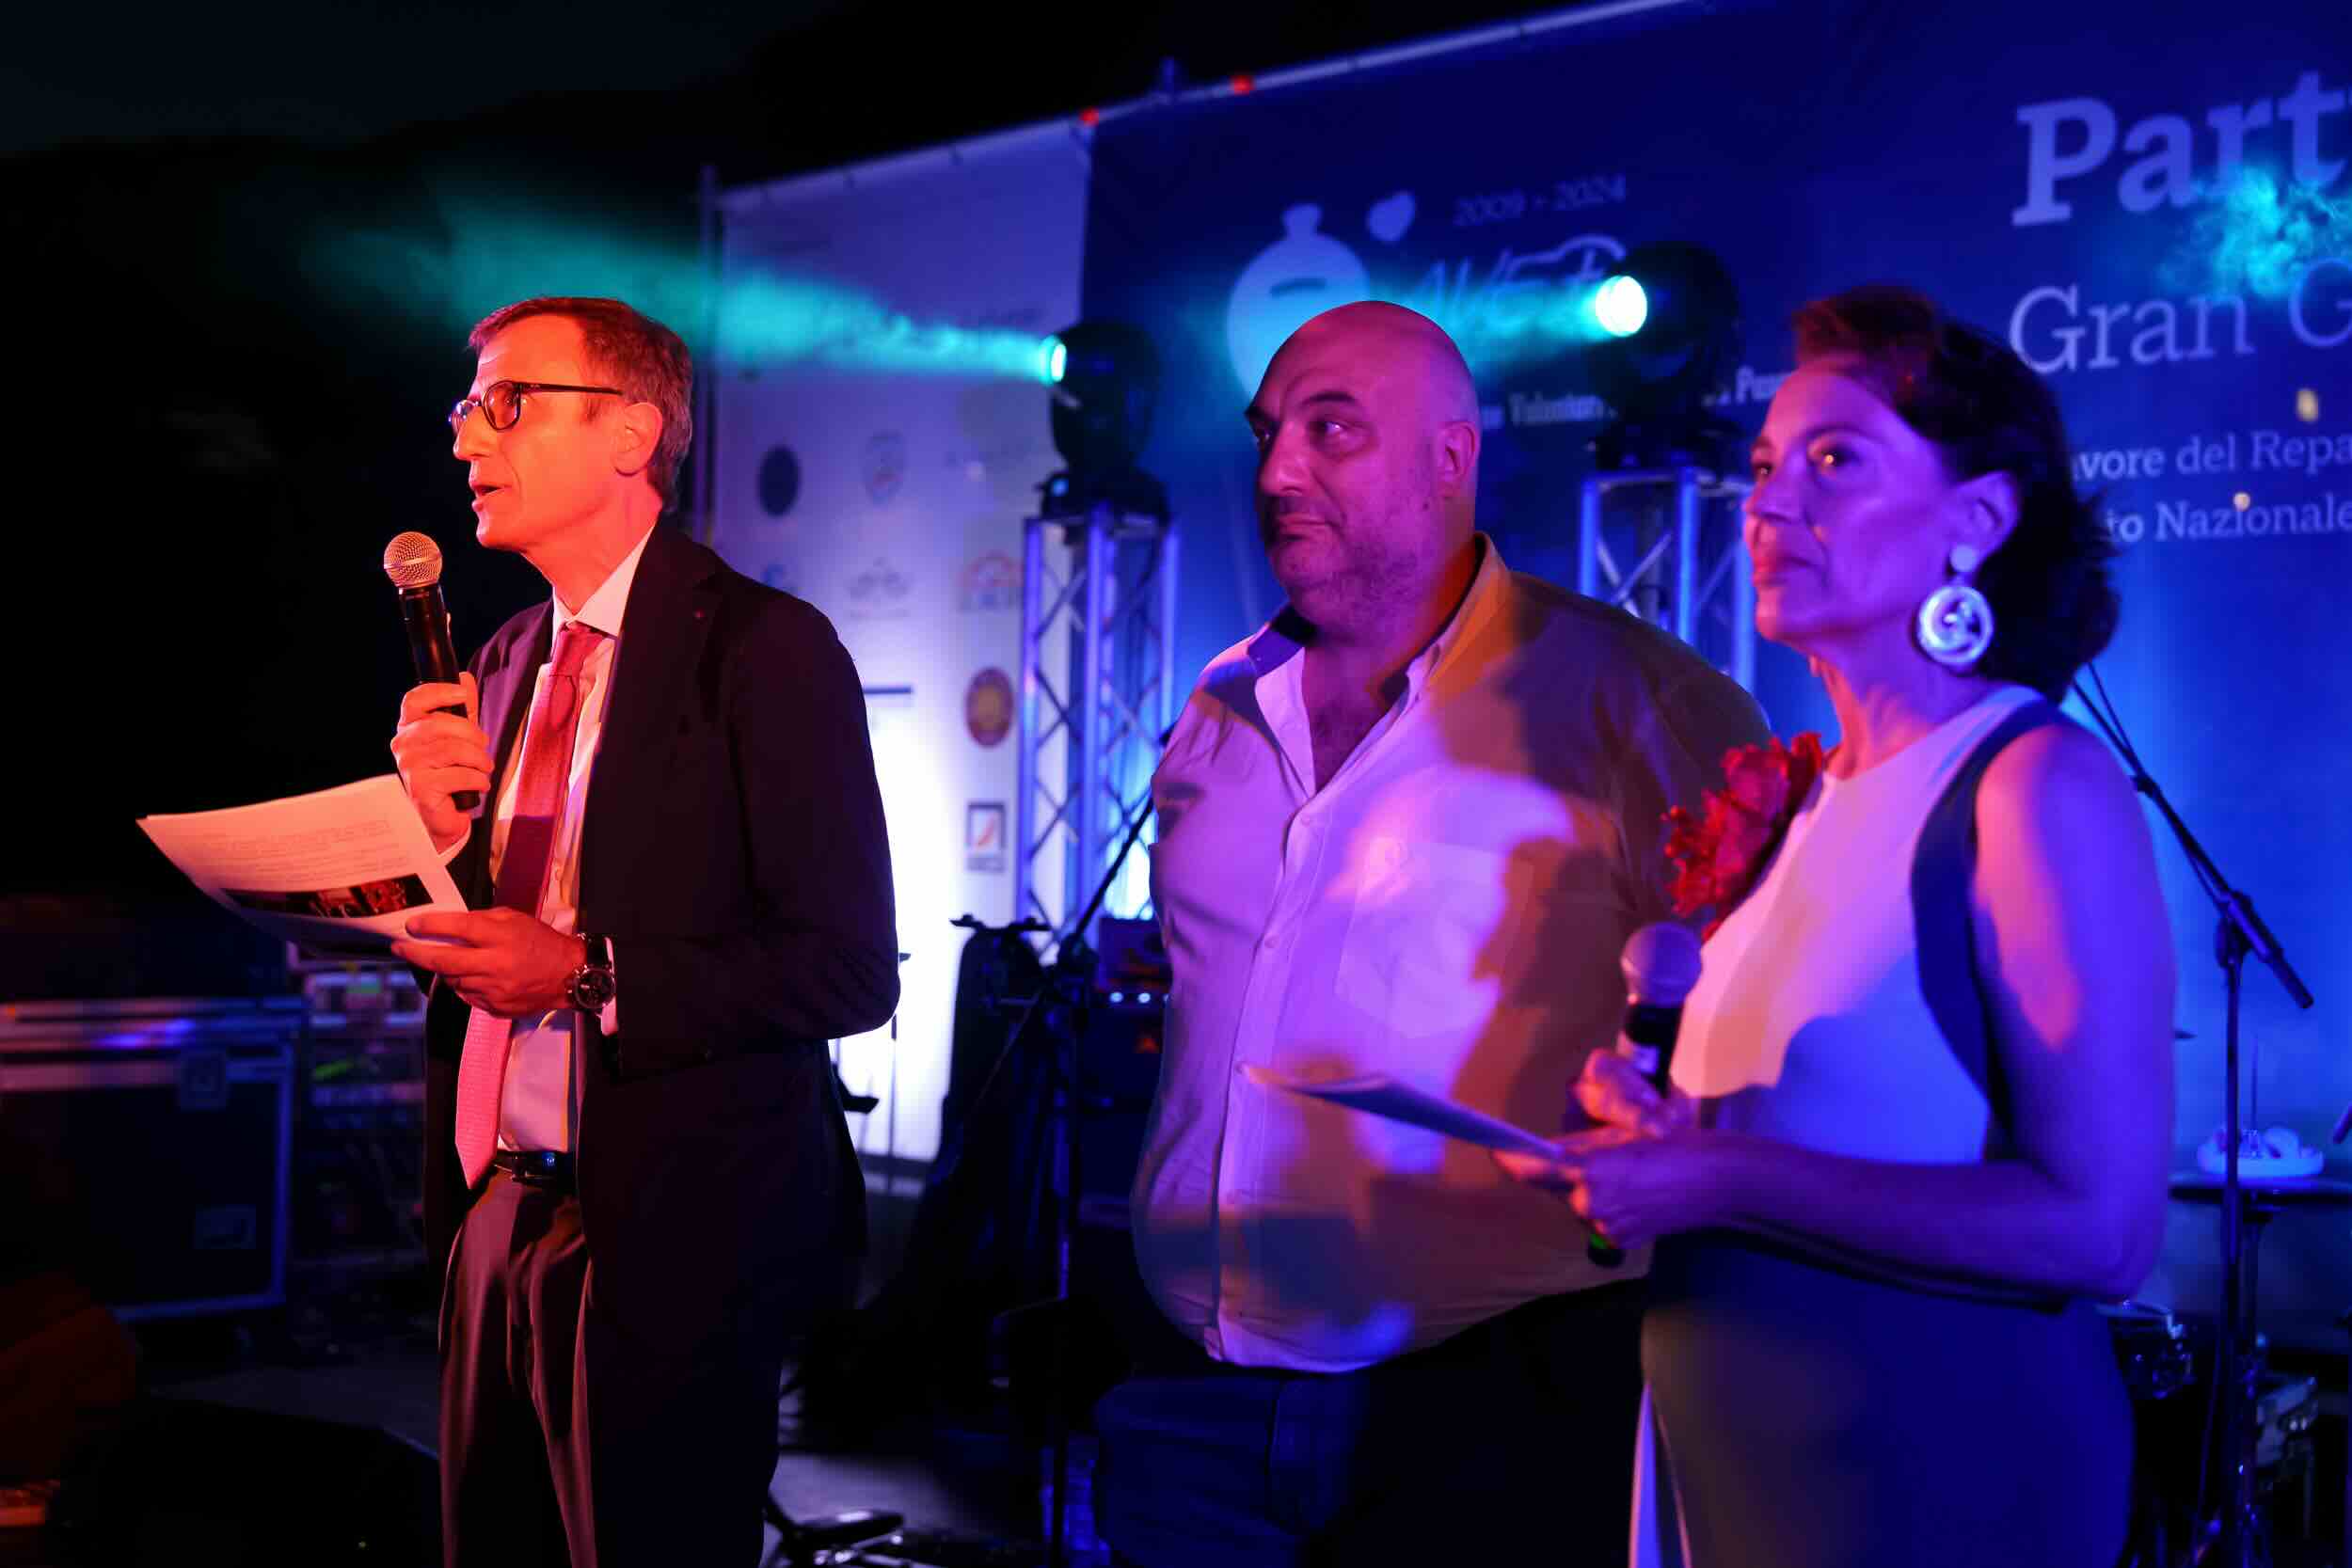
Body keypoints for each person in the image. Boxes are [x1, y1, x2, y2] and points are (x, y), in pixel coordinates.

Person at [1499, 284, 2174, 1567]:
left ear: (1976, 522)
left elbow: (2103, 1230)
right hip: (1735, 1468)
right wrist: (1666, 1135)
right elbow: (1837, 1129)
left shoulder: (2034, 783)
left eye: (1834, 461)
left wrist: (1720, 1177)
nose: (1766, 505)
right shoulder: (1804, 803)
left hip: (1931, 1477)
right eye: (1764, 467)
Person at [1092, 301, 1768, 1566]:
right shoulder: (1217, 707)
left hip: (1488, 1415)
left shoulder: (1636, 702)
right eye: (1268, 433)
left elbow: (1763, 1055)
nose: (1278, 471)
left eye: (1332, 430)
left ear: (1450, 458)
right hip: (1188, 1403)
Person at [387, 296, 898, 1567]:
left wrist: (588, 976)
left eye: (507, 404)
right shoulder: (502, 658)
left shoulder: (765, 651)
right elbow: (492, 936)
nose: (466, 438)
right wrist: (418, 847)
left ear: (632, 433)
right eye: (467, 407)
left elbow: (844, 968)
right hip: (494, 1211)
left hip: (665, 1235)